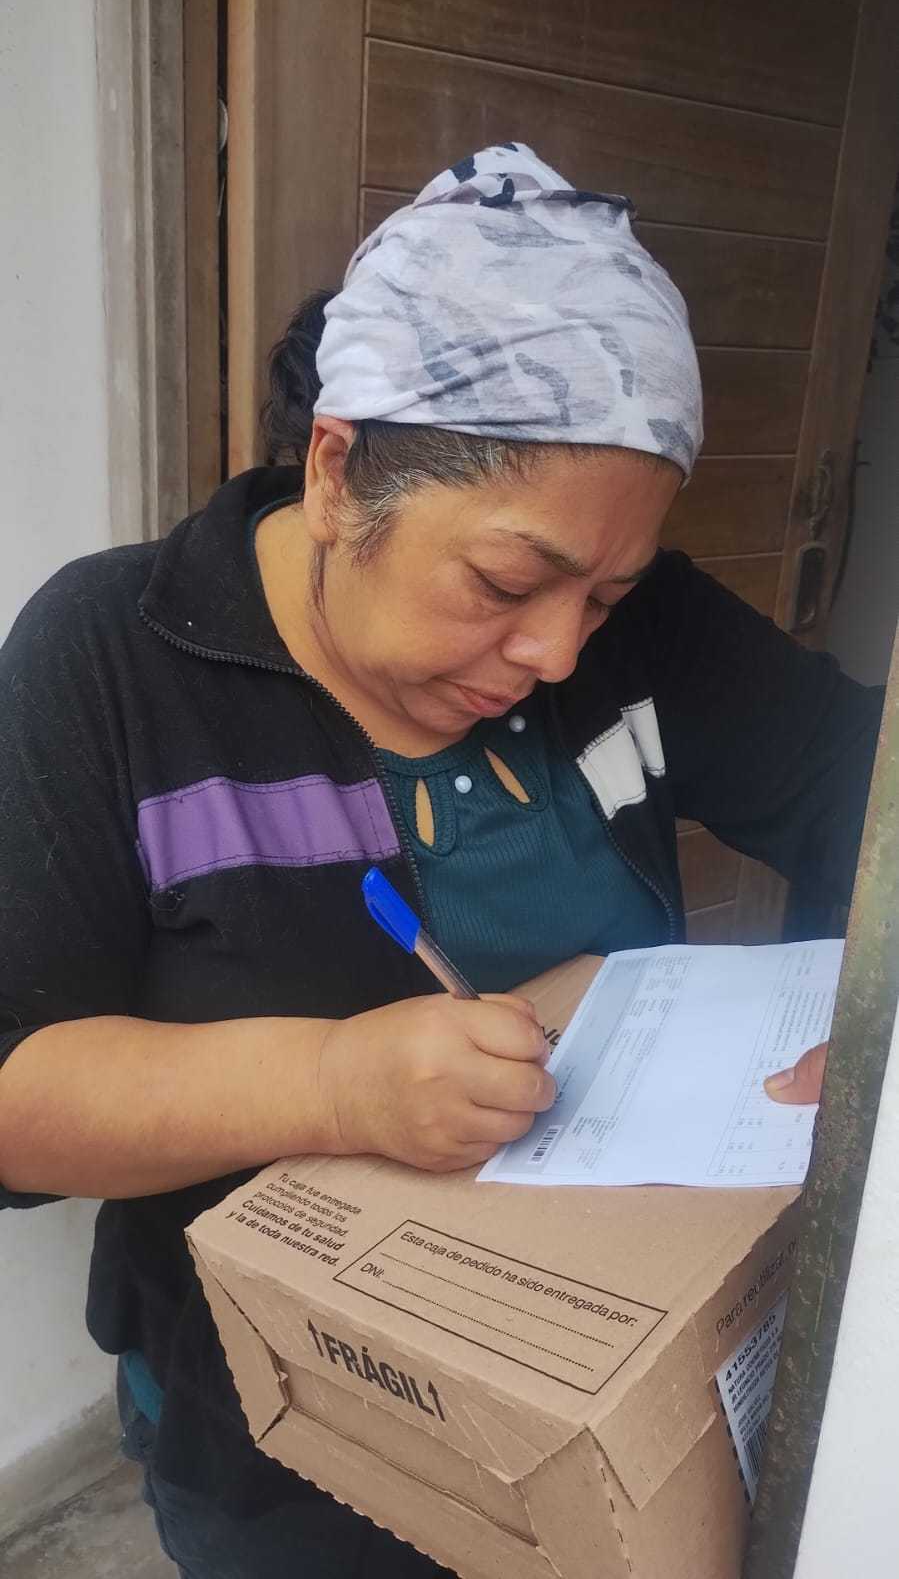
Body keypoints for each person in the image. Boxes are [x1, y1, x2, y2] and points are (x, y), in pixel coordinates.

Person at [0, 144, 880, 1578]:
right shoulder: (109, 664)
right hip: (282, 1432)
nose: (560, 651)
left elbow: (869, 796)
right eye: (506, 583)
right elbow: (11, 1093)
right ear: (337, 471)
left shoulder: (638, 635)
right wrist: (333, 1084)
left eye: (607, 595)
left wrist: (874, 1020)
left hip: (613, 1379)